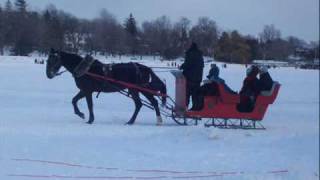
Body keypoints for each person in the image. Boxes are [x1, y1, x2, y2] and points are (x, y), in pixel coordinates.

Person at [180, 42, 204, 110]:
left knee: (186, 94)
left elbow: (188, 64)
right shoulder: (200, 55)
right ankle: (195, 108)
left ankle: (185, 108)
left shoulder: (190, 54)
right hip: (198, 79)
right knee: (195, 95)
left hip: (189, 78)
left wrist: (182, 67)